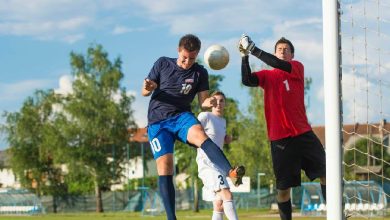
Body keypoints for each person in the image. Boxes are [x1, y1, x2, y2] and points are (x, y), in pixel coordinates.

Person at [142, 34, 245, 220]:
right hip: (158, 122)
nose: (188, 62)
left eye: (192, 58)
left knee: (201, 136)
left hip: (181, 117)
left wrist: (210, 101)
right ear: (178, 51)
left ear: (197, 55)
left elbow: (203, 102)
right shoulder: (163, 63)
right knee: (165, 166)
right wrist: (148, 86)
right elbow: (145, 90)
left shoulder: (199, 72)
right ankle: (171, 218)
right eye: (184, 57)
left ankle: (230, 171)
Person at [238, 35, 326, 220]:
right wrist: (244, 57)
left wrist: (253, 49)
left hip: (303, 133)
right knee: (283, 189)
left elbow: (280, 65)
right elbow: (247, 80)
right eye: (279, 49)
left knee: (327, 172)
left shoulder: (296, 67)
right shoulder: (267, 76)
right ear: (274, 53)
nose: (283, 51)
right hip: (280, 139)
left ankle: (337, 214)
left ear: (292, 55)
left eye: (286, 49)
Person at [196, 91, 238, 220]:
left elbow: (215, 137)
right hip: (207, 163)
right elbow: (194, 132)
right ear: (210, 103)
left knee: (219, 204)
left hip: (219, 164)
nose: (218, 103)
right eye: (215, 100)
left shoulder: (223, 121)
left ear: (225, 104)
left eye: (221, 101)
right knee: (227, 195)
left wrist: (226, 139)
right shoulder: (205, 116)